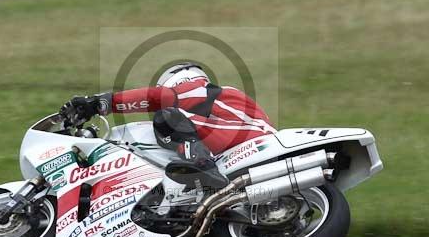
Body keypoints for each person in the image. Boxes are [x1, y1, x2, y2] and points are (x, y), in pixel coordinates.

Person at [62, 62, 276, 188]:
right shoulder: (217, 100)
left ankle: (201, 163)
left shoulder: (198, 88)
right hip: (252, 141)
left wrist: (101, 103)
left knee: (167, 117)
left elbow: (160, 97)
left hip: (248, 136)